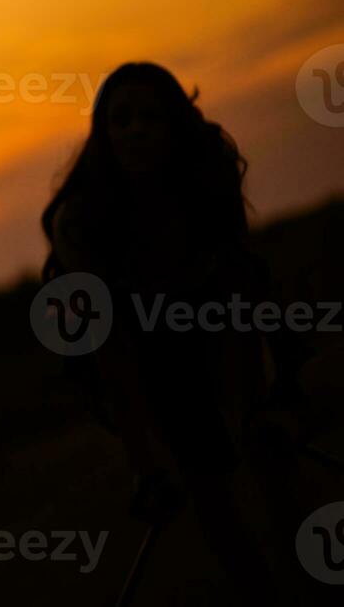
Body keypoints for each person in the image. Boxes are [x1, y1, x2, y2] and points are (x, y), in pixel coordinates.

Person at [41, 61, 314, 601]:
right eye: (121, 120)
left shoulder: (207, 184)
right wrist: (144, 466)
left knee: (268, 456)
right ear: (104, 133)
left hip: (217, 326)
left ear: (175, 129)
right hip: (138, 352)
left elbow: (249, 292)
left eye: (150, 118)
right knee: (206, 478)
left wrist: (276, 395)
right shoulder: (82, 219)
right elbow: (105, 344)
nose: (135, 130)